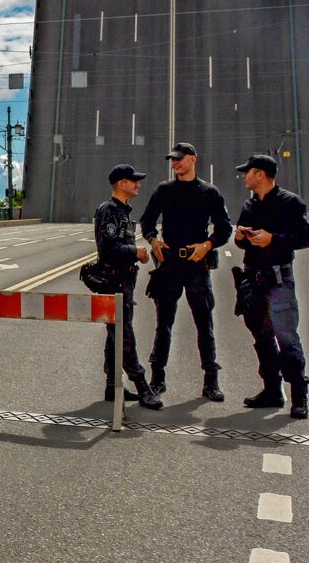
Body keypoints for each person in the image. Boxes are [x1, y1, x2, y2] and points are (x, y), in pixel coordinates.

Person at [139, 142, 233, 403]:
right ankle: (157, 379)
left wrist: (208, 244)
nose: (175, 163)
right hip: (169, 265)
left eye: (179, 159)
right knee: (164, 324)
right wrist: (153, 239)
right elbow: (147, 220)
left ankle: (211, 382)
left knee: (205, 324)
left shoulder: (209, 193)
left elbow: (225, 229)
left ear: (193, 159)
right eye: (172, 159)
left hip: (196, 267)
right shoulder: (164, 190)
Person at [232, 154, 309, 419]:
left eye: (247, 172)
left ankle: (299, 397)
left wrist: (273, 239)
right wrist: (240, 238)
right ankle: (272, 391)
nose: (243, 176)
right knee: (262, 338)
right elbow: (244, 244)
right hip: (253, 279)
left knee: (286, 338)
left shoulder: (291, 203)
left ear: (260, 174)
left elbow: (306, 237)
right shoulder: (249, 205)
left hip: (279, 280)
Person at [94, 165, 161, 409]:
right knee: (124, 336)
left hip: (123, 282)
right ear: (121, 184)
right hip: (114, 282)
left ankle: (112, 386)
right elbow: (109, 249)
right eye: (133, 181)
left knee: (115, 336)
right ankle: (142, 386)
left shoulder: (122, 211)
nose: (138, 184)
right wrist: (138, 252)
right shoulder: (109, 211)